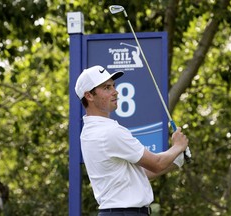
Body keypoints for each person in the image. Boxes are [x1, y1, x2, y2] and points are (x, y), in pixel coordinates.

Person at [75, 65, 190, 216]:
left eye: (113, 86)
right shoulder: (109, 132)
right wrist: (178, 146)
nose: (115, 91)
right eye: (107, 87)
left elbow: (138, 173)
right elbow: (157, 164)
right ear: (89, 96)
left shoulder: (89, 131)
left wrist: (178, 159)